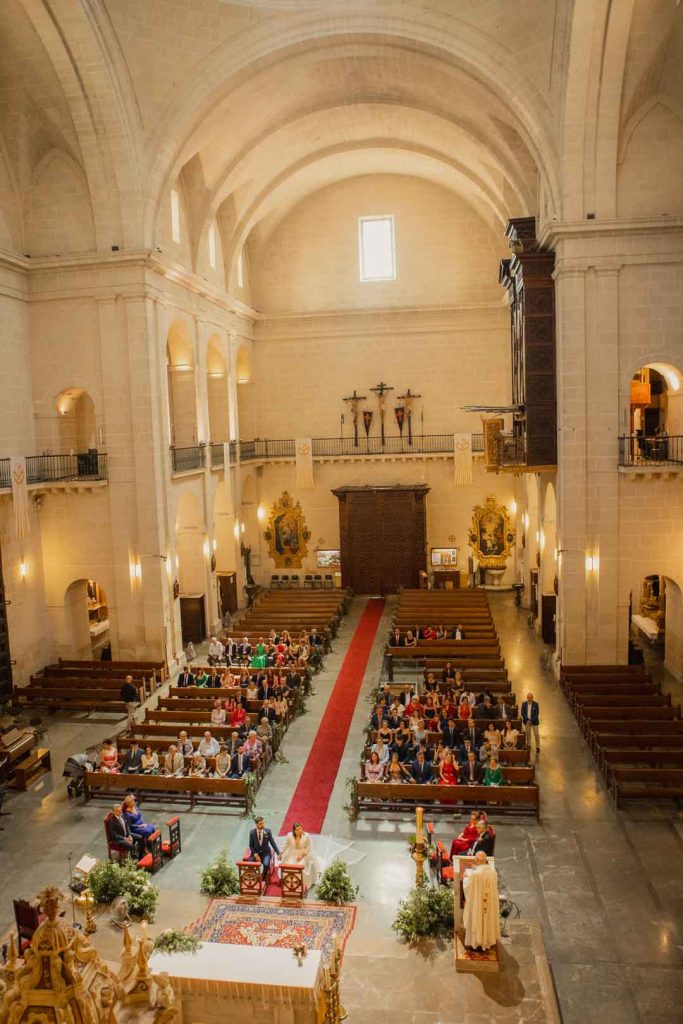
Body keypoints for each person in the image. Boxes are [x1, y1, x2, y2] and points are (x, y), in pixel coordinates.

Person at [462, 852, 500, 950]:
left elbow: (467, 886)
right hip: (489, 903)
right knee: (487, 921)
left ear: (478, 860)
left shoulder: (475, 875)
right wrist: (477, 868)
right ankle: (487, 940)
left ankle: (476, 942)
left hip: (478, 905)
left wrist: (466, 876)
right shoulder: (493, 872)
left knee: (477, 919)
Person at [280, 822, 319, 888]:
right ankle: (291, 881)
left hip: (303, 855)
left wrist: (301, 856)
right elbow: (285, 845)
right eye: (297, 830)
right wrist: (281, 852)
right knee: (290, 865)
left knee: (301, 866)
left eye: (300, 828)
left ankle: (301, 883)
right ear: (294, 831)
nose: (300, 831)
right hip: (292, 854)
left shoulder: (306, 836)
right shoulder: (290, 836)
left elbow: (308, 848)